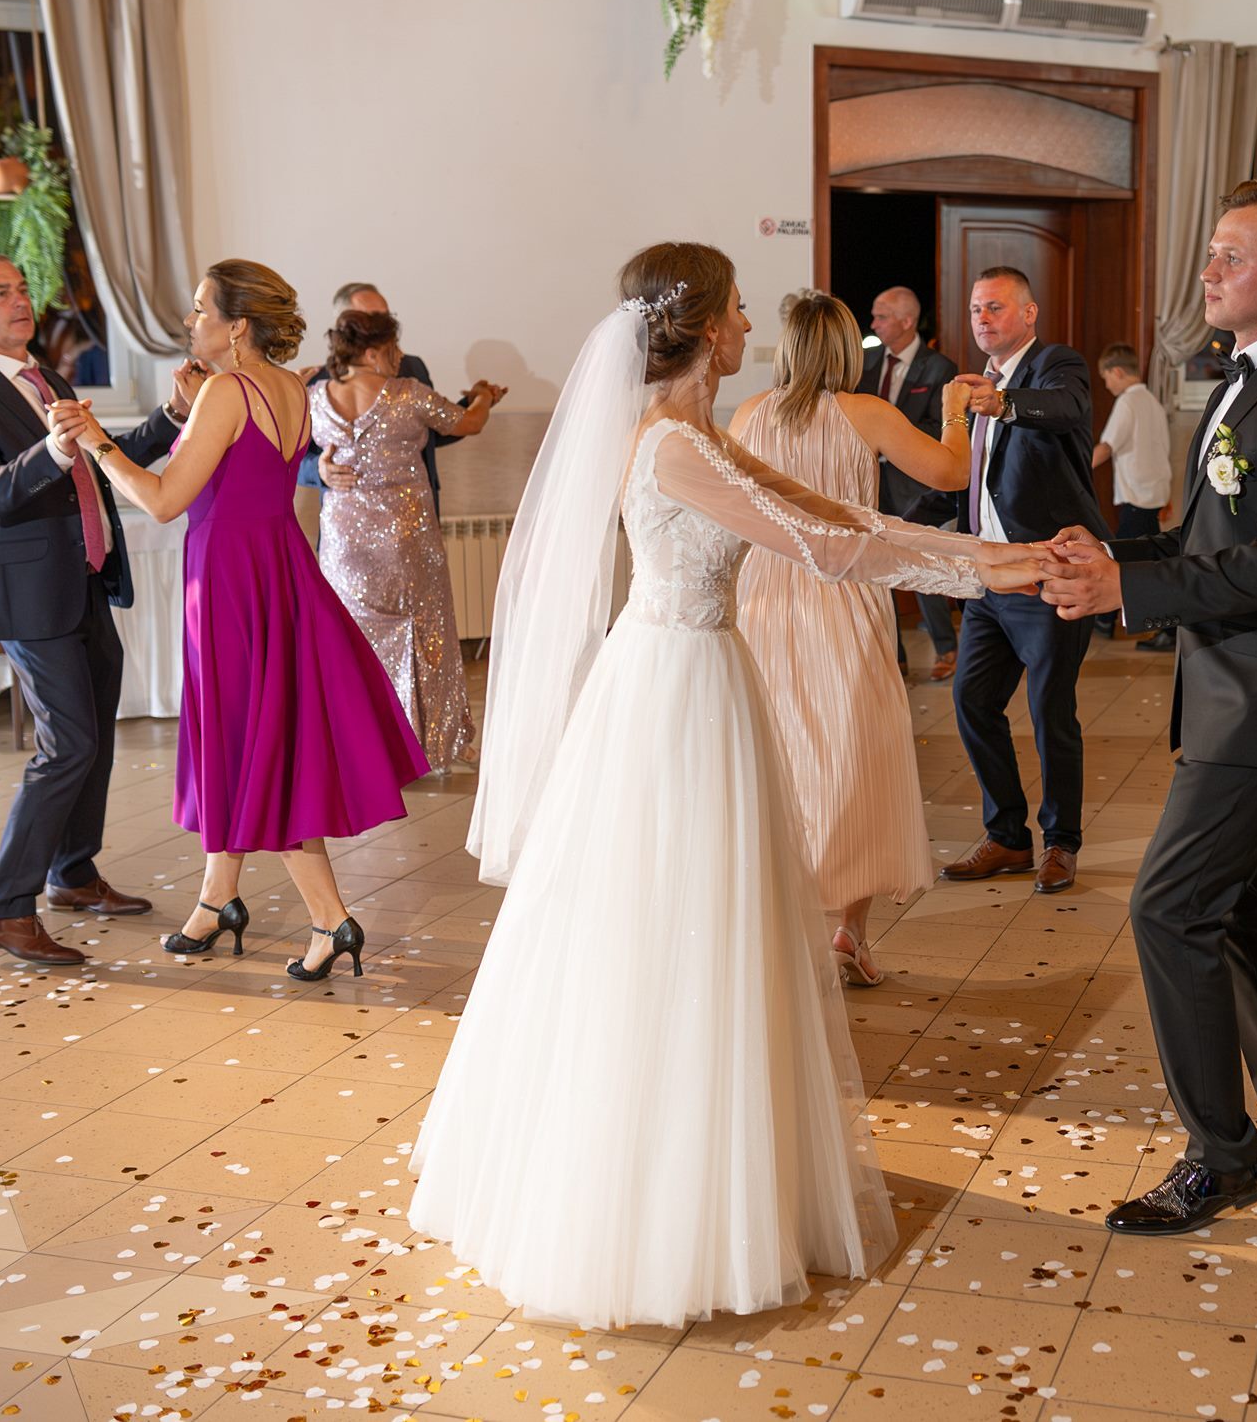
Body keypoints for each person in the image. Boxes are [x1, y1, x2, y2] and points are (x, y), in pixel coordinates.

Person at [408, 242, 1047, 1330]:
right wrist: (995, 568)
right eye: (739, 309)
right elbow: (825, 549)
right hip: (673, 697)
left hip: (706, 678)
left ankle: (728, 1170)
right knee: (672, 927)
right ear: (707, 329)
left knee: (715, 924)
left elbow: (842, 519)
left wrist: (997, 559)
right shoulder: (674, 446)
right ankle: (649, 1204)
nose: (751, 324)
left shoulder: (704, 434)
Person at [1042, 178, 1257, 1236]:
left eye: (1233, 256)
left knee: (1169, 906)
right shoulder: (1242, 379)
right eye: (1212, 253)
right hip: (1232, 686)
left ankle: (1221, 1158)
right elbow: (1207, 539)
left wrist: (1127, 592)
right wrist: (1114, 551)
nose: (1209, 271)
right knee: (1235, 908)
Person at [67, 259, 430, 979]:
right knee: (250, 740)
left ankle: (330, 918)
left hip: (230, 585)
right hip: (279, 571)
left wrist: (94, 439)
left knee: (253, 746)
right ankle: (217, 901)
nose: (190, 320)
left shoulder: (227, 391)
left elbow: (163, 501)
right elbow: (241, 473)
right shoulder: (288, 386)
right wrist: (188, 410)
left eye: (200, 308)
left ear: (237, 326)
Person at [0, 253, 206, 966]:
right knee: (68, 746)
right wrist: (52, 449)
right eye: (0, 293)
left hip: (85, 582)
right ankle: (4, 908)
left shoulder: (46, 378)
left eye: (22, 289)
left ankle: (73, 872)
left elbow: (98, 459)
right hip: (31, 598)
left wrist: (172, 416)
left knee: (96, 737)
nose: (20, 302)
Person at [732, 290, 974, 987]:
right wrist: (955, 413)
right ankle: (850, 931)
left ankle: (774, 922)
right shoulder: (865, 411)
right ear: (844, 350)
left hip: (765, 595)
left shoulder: (749, 414)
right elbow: (951, 472)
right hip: (842, 594)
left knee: (777, 752)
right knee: (854, 751)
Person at [937, 266, 1107, 897]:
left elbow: (1066, 410)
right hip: (990, 578)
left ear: (1029, 314)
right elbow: (968, 480)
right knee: (972, 701)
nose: (982, 319)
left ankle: (1061, 842)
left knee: (1049, 711)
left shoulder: (1055, 367)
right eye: (976, 309)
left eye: (996, 308)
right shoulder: (969, 389)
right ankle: (1008, 835)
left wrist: (1004, 402)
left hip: (1047, 573)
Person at [310, 308, 501, 771]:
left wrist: (319, 467)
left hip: (344, 544)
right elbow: (467, 423)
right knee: (426, 634)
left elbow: (291, 449)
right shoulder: (407, 393)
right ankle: (434, 743)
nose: (399, 357)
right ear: (373, 352)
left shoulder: (313, 398)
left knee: (351, 641)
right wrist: (483, 397)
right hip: (406, 539)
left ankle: (356, 745)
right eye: (393, 348)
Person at [856, 284, 963, 680]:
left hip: (914, 483)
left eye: (881, 317)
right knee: (877, 567)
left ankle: (946, 648)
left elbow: (939, 426)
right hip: (869, 481)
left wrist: (891, 440)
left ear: (906, 321)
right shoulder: (865, 362)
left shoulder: (938, 368)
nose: (874, 324)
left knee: (923, 566)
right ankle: (894, 655)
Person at [299, 283, 467, 515]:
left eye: (386, 316)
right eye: (371, 317)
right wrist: (318, 471)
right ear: (343, 324)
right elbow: (290, 455)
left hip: (414, 513)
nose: (382, 324)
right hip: (346, 519)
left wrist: (472, 406)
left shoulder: (413, 367)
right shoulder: (318, 382)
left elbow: (430, 432)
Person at [1092, 343, 1172, 643]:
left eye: (1106, 378)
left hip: (1137, 497)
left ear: (1116, 372)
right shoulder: (1152, 401)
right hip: (1153, 493)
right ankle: (1111, 621)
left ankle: (1108, 621)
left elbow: (1106, 446)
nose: (1107, 385)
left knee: (1124, 559)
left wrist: (1075, 471)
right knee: (1146, 561)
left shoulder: (1127, 401)